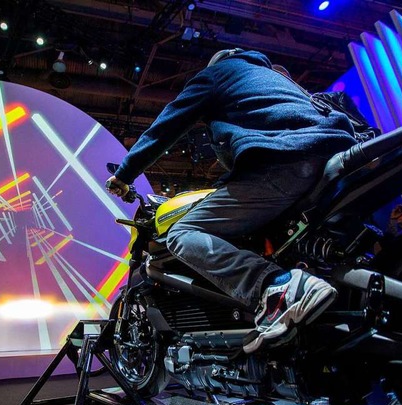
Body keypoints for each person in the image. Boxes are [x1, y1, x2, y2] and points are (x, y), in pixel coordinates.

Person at [105, 48, 358, 353]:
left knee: (183, 234)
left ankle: (278, 288)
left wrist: (124, 174)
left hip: (288, 162)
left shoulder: (218, 74)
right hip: (335, 159)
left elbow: (167, 126)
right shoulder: (276, 79)